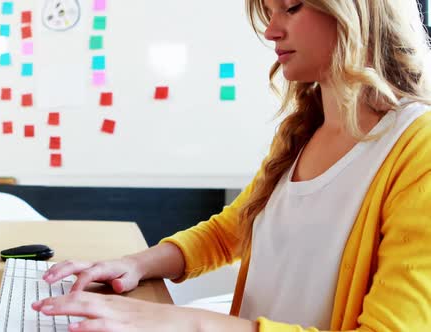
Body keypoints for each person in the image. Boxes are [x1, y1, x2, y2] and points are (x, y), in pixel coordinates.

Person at [32, 0, 431, 330]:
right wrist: (133, 264)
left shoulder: (419, 147)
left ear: (357, 12)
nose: (271, 31)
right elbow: (233, 230)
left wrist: (187, 323)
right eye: (269, 13)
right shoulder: (302, 131)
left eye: (290, 8)